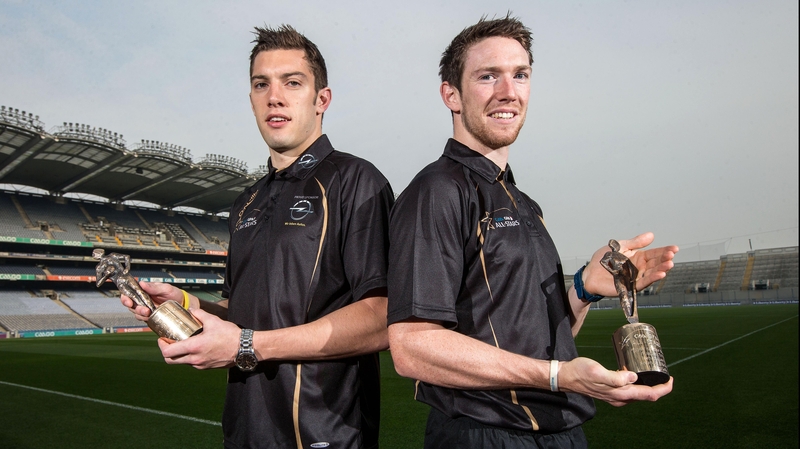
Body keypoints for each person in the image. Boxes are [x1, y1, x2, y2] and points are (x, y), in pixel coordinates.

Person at [386, 15, 678, 448]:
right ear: (452, 94)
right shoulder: (436, 191)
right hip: (486, 434)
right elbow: (412, 347)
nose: (509, 91)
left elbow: (538, 338)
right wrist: (557, 375)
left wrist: (583, 289)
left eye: (520, 75)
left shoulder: (524, 203)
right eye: (488, 76)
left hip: (560, 430)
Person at [120, 25, 393, 449]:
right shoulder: (246, 203)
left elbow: (381, 317)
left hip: (325, 434)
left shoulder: (355, 181)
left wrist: (248, 345)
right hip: (245, 431)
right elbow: (240, 311)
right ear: (251, 100)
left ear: (322, 99)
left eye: (292, 82)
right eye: (261, 84)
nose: (275, 96)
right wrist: (187, 304)